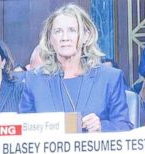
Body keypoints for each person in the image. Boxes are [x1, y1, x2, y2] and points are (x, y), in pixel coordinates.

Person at [19, 3, 133, 133]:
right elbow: (24, 130)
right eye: (58, 31)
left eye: (72, 30)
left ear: (86, 36)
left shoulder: (109, 77)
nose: (65, 38)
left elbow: (124, 127)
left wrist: (101, 126)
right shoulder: (34, 80)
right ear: (50, 39)